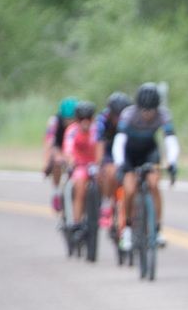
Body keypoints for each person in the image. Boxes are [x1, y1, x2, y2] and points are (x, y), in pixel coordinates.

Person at [113, 82, 180, 252]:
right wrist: (120, 163)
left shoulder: (163, 114)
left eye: (151, 110)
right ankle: (127, 229)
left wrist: (172, 162)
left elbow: (170, 140)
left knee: (154, 184)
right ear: (138, 107)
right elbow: (119, 142)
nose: (148, 114)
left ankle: (157, 230)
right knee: (129, 189)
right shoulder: (128, 114)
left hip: (149, 151)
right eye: (144, 110)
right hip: (129, 153)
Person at [93, 92, 131, 232]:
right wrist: (99, 165)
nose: (118, 119)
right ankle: (106, 203)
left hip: (126, 150)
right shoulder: (102, 120)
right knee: (110, 172)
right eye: (116, 115)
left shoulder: (131, 118)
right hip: (108, 151)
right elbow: (99, 145)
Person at [62, 101, 99, 235]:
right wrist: (71, 161)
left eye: (88, 118)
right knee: (80, 185)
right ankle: (77, 221)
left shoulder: (96, 130)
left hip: (94, 165)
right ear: (77, 119)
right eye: (82, 119)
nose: (85, 122)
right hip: (79, 165)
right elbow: (68, 149)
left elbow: (101, 148)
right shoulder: (72, 130)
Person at [44, 98, 77, 213]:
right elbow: (49, 143)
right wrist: (48, 162)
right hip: (60, 148)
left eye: (72, 119)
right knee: (56, 162)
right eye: (67, 119)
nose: (70, 122)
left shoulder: (80, 122)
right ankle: (56, 192)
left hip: (74, 149)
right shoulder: (54, 122)